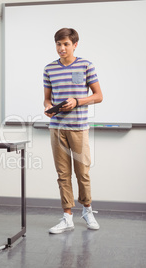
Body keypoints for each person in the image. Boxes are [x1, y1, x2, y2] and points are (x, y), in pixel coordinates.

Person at [43, 28, 103, 234]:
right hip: (57, 128)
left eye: (66, 44)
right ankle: (67, 216)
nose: (62, 48)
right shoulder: (49, 68)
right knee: (63, 174)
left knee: (82, 173)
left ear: (75, 44)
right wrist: (47, 107)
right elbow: (47, 98)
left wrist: (77, 101)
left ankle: (87, 210)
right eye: (58, 44)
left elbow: (98, 96)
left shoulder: (86, 65)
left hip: (79, 128)